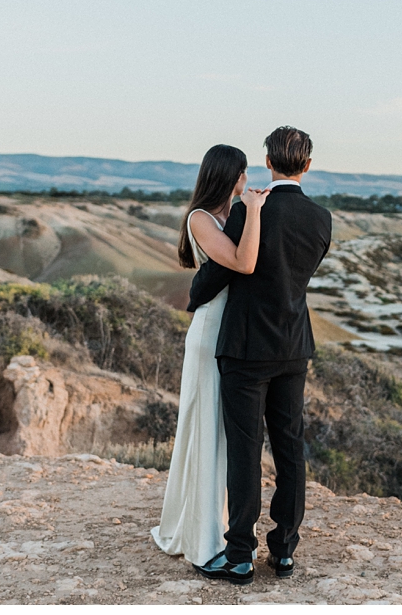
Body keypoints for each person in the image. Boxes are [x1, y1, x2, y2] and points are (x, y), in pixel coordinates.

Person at [188, 126, 332, 585]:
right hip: (293, 347)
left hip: (246, 349)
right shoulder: (322, 219)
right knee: (290, 448)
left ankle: (240, 556)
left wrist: (195, 292)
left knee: (245, 451)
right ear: (307, 165)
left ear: (268, 162)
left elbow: (221, 275)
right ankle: (285, 551)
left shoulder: (249, 211)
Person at [150, 144, 268, 568]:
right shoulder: (200, 219)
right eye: (243, 171)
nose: (247, 178)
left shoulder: (231, 215)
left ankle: (224, 528)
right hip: (209, 333)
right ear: (231, 174)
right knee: (205, 430)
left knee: (226, 436)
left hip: (233, 332)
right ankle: (202, 543)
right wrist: (253, 213)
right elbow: (241, 262)